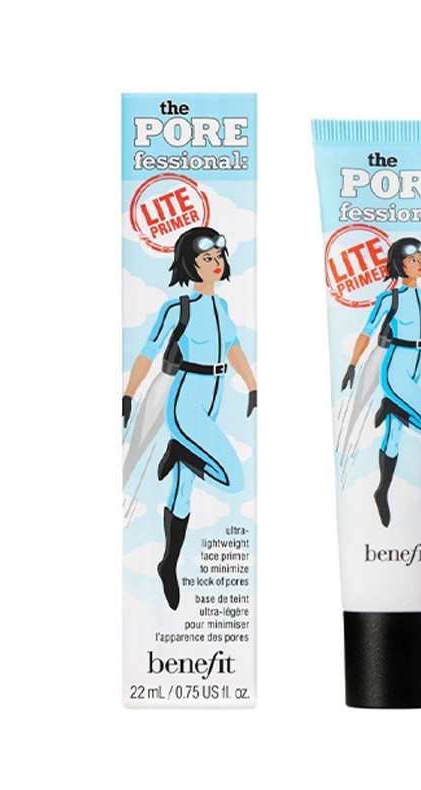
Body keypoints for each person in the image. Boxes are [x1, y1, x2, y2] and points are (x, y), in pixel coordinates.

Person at [122, 227, 257, 609]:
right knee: (234, 480)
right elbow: (148, 351)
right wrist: (128, 394)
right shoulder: (178, 308)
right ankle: (180, 450)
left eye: (219, 257)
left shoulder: (223, 307)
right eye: (206, 259)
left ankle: (168, 564)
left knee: (182, 491)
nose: (216, 264)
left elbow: (233, 347)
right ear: (189, 264)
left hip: (215, 396)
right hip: (186, 399)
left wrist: (252, 385)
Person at [342, 237, 421, 528]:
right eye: (412, 260)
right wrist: (352, 364)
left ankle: (382, 491)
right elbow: (367, 331)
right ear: (399, 265)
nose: (419, 264)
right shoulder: (390, 298)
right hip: (395, 368)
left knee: (393, 437)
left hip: (416, 366)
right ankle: (390, 405)